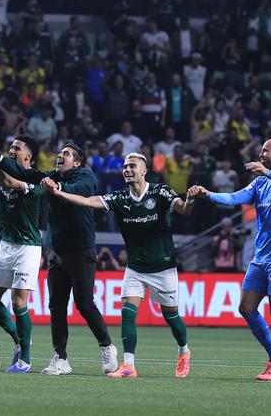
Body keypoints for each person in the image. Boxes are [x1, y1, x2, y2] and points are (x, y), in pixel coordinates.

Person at [47, 153, 196, 379]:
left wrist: (192, 199)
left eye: (132, 166)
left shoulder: (160, 192)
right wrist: (60, 192)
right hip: (135, 267)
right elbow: (91, 201)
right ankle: (128, 366)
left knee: (171, 316)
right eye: (125, 166)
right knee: (127, 313)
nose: (127, 169)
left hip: (162, 267)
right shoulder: (120, 198)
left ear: (144, 171)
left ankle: (184, 351)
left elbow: (185, 210)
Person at [0, 140, 117, 375]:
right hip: (56, 253)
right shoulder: (49, 176)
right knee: (56, 306)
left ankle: (107, 346)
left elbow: (80, 192)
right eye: (60, 153)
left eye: (66, 154)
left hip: (81, 251)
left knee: (84, 304)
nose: (60, 156)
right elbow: (25, 173)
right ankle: (61, 357)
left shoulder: (85, 176)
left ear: (76, 162)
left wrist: (56, 187)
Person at [189, 137, 271, 381]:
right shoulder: (260, 183)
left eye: (265, 151)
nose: (260, 154)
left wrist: (267, 173)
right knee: (246, 307)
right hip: (261, 255)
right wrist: (207, 194)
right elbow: (233, 198)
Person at [0, 135, 44, 373]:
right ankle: (20, 338)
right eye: (11, 147)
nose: (12, 150)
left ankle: (25, 357)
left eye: (17, 148)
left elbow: (8, 180)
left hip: (27, 246)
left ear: (28, 156)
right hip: (6, 245)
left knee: (18, 302)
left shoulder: (36, 179)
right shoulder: (4, 171)